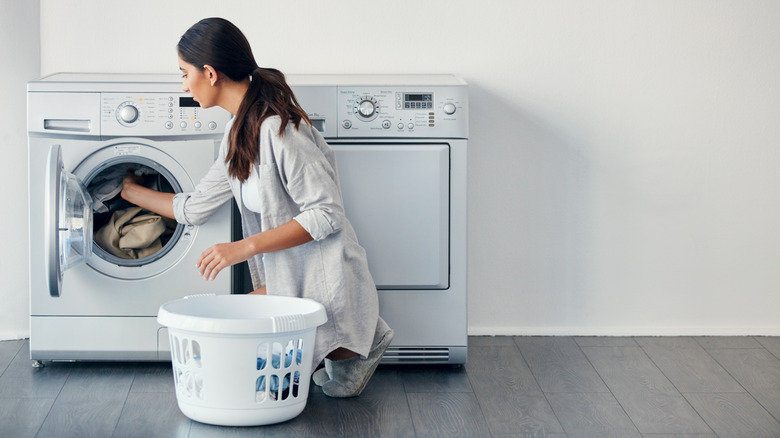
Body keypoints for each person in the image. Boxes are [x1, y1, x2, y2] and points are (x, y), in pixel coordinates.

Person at [120, 17, 393, 398]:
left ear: (210, 73)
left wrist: (242, 248)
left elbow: (327, 213)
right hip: (288, 279)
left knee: (240, 364)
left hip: (321, 277)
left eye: (184, 74)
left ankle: (360, 342)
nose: (184, 85)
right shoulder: (237, 133)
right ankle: (349, 343)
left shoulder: (281, 131)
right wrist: (129, 191)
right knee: (228, 354)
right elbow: (195, 207)